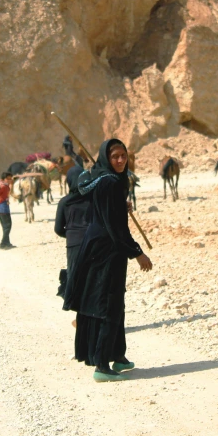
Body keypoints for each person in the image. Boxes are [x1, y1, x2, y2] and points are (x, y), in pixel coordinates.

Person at [62, 139, 153, 382]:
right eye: (115, 157)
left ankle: (118, 356)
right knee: (107, 304)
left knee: (115, 302)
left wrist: (119, 206)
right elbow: (116, 228)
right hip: (106, 250)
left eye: (124, 156)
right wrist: (137, 253)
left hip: (98, 246)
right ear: (106, 158)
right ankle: (102, 364)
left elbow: (105, 209)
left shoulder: (103, 179)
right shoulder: (110, 182)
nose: (121, 160)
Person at [54, 165, 91, 298]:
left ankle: (80, 317)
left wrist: (71, 235)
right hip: (95, 242)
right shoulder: (94, 198)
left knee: (76, 278)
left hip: (74, 244)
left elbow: (58, 229)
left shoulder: (64, 202)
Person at [0, 172, 16, 249]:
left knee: (6, 227)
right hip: (3, 210)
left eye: (10, 179)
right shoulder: (3, 186)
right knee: (7, 226)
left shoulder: (3, 185)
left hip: (1, 210)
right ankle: (3, 244)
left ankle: (7, 243)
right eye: (8, 179)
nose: (10, 180)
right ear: (4, 179)